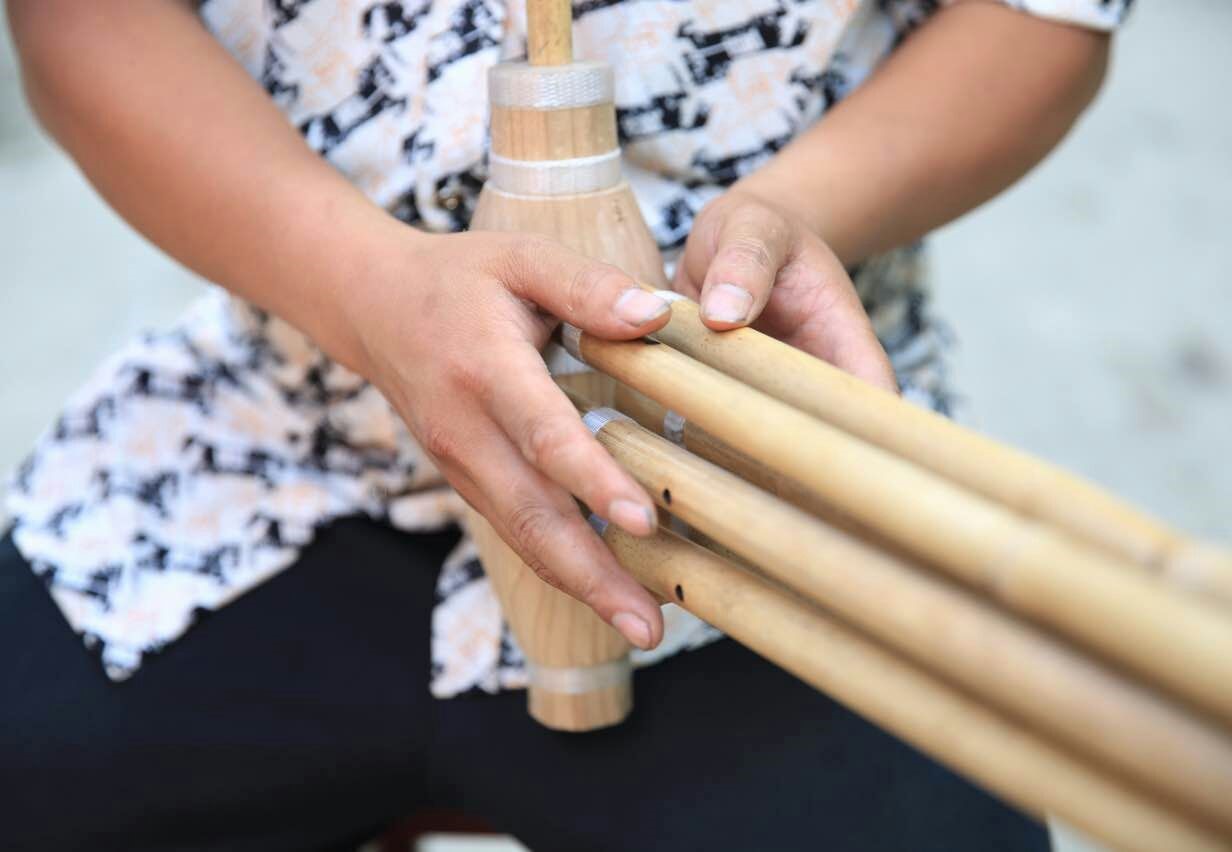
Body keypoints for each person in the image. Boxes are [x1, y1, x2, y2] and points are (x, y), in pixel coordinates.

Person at [2, 0, 1124, 848]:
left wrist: (787, 214)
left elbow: (1043, 18)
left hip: (765, 483)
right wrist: (361, 286)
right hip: (271, 454)